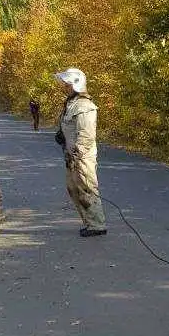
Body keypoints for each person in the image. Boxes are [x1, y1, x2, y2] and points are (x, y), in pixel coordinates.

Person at [54, 68, 106, 237]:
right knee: (73, 188)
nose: (64, 86)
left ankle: (97, 225)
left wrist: (77, 155)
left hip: (82, 156)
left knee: (87, 188)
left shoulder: (85, 106)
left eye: (67, 83)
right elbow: (68, 126)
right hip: (71, 155)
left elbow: (86, 135)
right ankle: (89, 223)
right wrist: (61, 135)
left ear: (76, 84)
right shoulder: (72, 103)